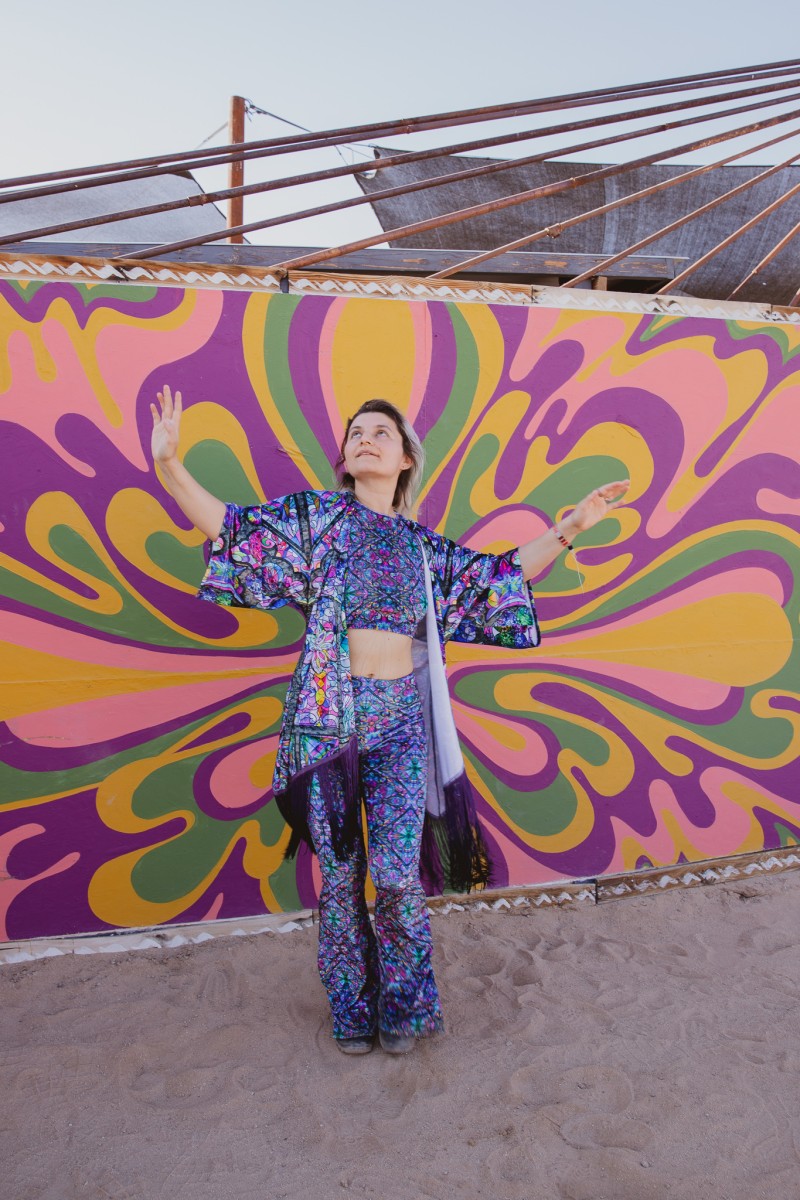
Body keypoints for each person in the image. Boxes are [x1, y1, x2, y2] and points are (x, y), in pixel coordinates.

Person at [151, 385, 628, 1057]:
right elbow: (232, 530)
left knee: (399, 877)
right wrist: (170, 466)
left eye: (381, 432)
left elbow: (494, 579)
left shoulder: (421, 548)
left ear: (406, 458)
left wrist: (570, 526)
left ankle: (405, 1004)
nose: (365, 439)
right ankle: (351, 1006)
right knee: (342, 878)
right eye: (356, 433)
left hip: (401, 724)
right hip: (327, 724)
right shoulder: (317, 520)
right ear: (346, 458)